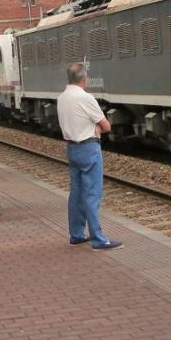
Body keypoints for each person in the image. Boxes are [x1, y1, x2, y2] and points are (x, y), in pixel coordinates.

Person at [57, 62, 121, 250]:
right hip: (88, 148)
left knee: (76, 193)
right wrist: (97, 128)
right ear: (84, 80)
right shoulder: (86, 98)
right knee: (92, 194)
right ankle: (98, 239)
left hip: (72, 149)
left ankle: (76, 234)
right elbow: (107, 126)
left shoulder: (61, 98)